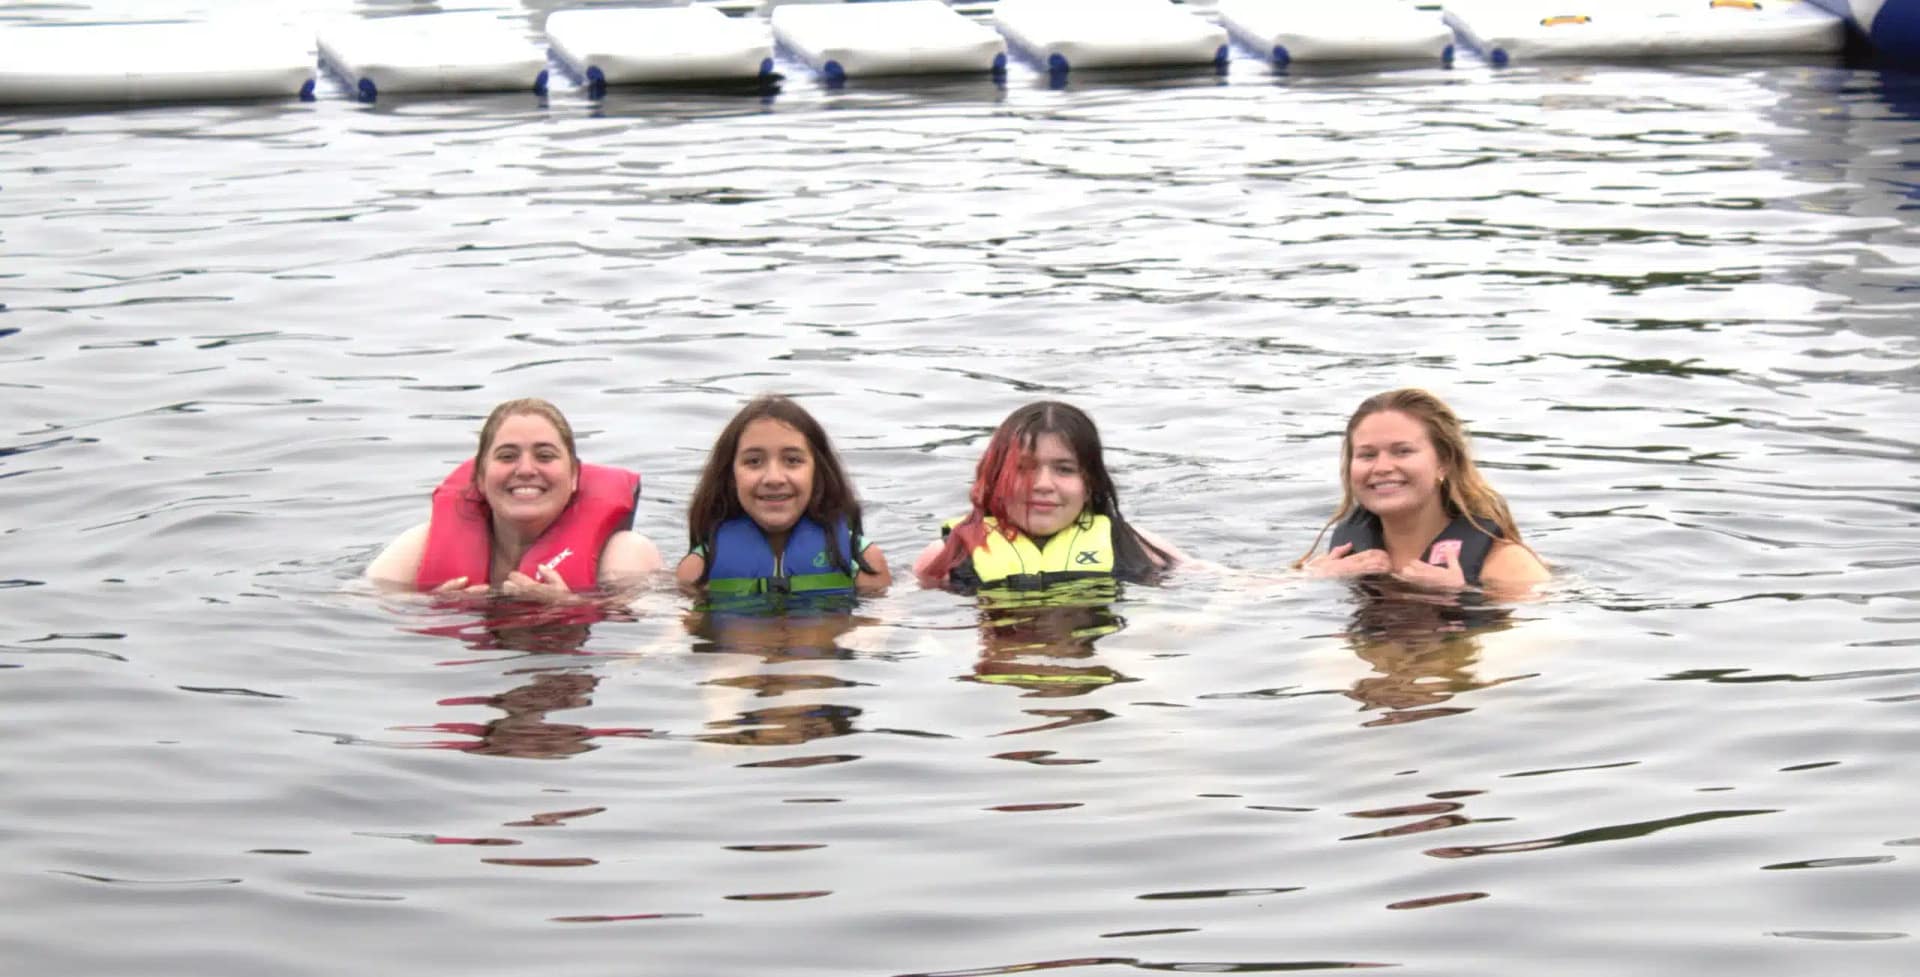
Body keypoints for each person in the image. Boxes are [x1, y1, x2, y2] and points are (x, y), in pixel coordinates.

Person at [366, 398, 662, 599]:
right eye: (507, 456)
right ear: (479, 478)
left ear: (574, 476)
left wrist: (571, 608)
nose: (526, 470)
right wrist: (427, 607)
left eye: (545, 456)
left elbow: (660, 637)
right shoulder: (420, 544)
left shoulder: (624, 554)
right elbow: (356, 603)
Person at [1297, 388, 1548, 593]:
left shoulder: (1507, 564)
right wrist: (1314, 578)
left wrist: (1465, 596)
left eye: (1403, 451)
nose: (1382, 467)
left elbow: (1548, 632)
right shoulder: (1341, 558)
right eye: (1367, 455)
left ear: (1443, 462)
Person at [913, 401, 1178, 592]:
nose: (1042, 484)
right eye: (1024, 468)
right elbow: (908, 612)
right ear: (995, 478)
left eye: (1065, 469)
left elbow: (1202, 583)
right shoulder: (948, 555)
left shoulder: (1132, 544)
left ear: (1090, 484)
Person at [675, 394, 891, 597]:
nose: (774, 478)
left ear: (818, 474)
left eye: (792, 460)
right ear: (730, 476)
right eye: (754, 461)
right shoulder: (698, 571)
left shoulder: (864, 565)